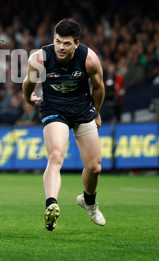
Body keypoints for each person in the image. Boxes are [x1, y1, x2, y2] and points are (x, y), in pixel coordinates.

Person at [22, 18, 106, 231]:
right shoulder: (40, 58)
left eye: (67, 43)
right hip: (54, 110)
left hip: (82, 109)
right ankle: (51, 205)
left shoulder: (89, 59)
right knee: (56, 156)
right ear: (54, 39)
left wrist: (97, 112)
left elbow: (98, 87)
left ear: (76, 44)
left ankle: (88, 201)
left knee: (95, 167)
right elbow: (28, 84)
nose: (61, 47)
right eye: (58, 41)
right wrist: (28, 98)